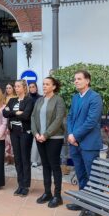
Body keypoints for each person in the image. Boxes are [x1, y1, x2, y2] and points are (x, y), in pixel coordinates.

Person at [66, 70, 103, 216]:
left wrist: (75, 135)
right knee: (81, 174)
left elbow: (91, 122)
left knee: (92, 176)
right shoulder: (75, 97)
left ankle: (96, 208)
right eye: (75, 79)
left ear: (87, 81)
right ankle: (83, 201)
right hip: (74, 143)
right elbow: (70, 117)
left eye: (79, 79)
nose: (76, 81)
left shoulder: (95, 97)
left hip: (89, 144)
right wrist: (70, 134)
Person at [31, 77, 66, 208]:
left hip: (54, 138)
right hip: (40, 138)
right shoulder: (39, 100)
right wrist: (36, 134)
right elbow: (33, 117)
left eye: (47, 84)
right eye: (43, 84)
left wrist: (45, 135)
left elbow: (58, 120)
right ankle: (47, 193)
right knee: (45, 165)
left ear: (54, 87)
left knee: (54, 166)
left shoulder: (59, 100)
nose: (44, 86)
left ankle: (58, 196)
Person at [3, 79, 34, 197]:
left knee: (25, 158)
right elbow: (4, 113)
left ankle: (26, 186)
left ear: (24, 88)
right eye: (15, 86)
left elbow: (26, 116)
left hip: (25, 133)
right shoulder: (12, 100)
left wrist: (12, 112)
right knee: (17, 159)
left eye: (18, 86)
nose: (16, 88)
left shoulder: (29, 100)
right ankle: (20, 184)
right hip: (14, 132)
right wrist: (16, 113)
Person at [29, 82, 42, 168]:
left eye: (33, 87)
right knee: (29, 142)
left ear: (36, 88)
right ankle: (31, 159)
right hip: (28, 121)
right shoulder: (27, 98)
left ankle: (38, 161)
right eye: (30, 87)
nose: (32, 88)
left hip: (38, 122)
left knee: (37, 142)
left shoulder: (41, 98)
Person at [4, 82, 16, 165]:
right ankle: (7, 159)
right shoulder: (3, 98)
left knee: (12, 141)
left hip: (12, 121)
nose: (8, 89)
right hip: (4, 121)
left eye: (10, 88)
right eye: (7, 88)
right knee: (6, 141)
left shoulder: (16, 98)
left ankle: (14, 159)